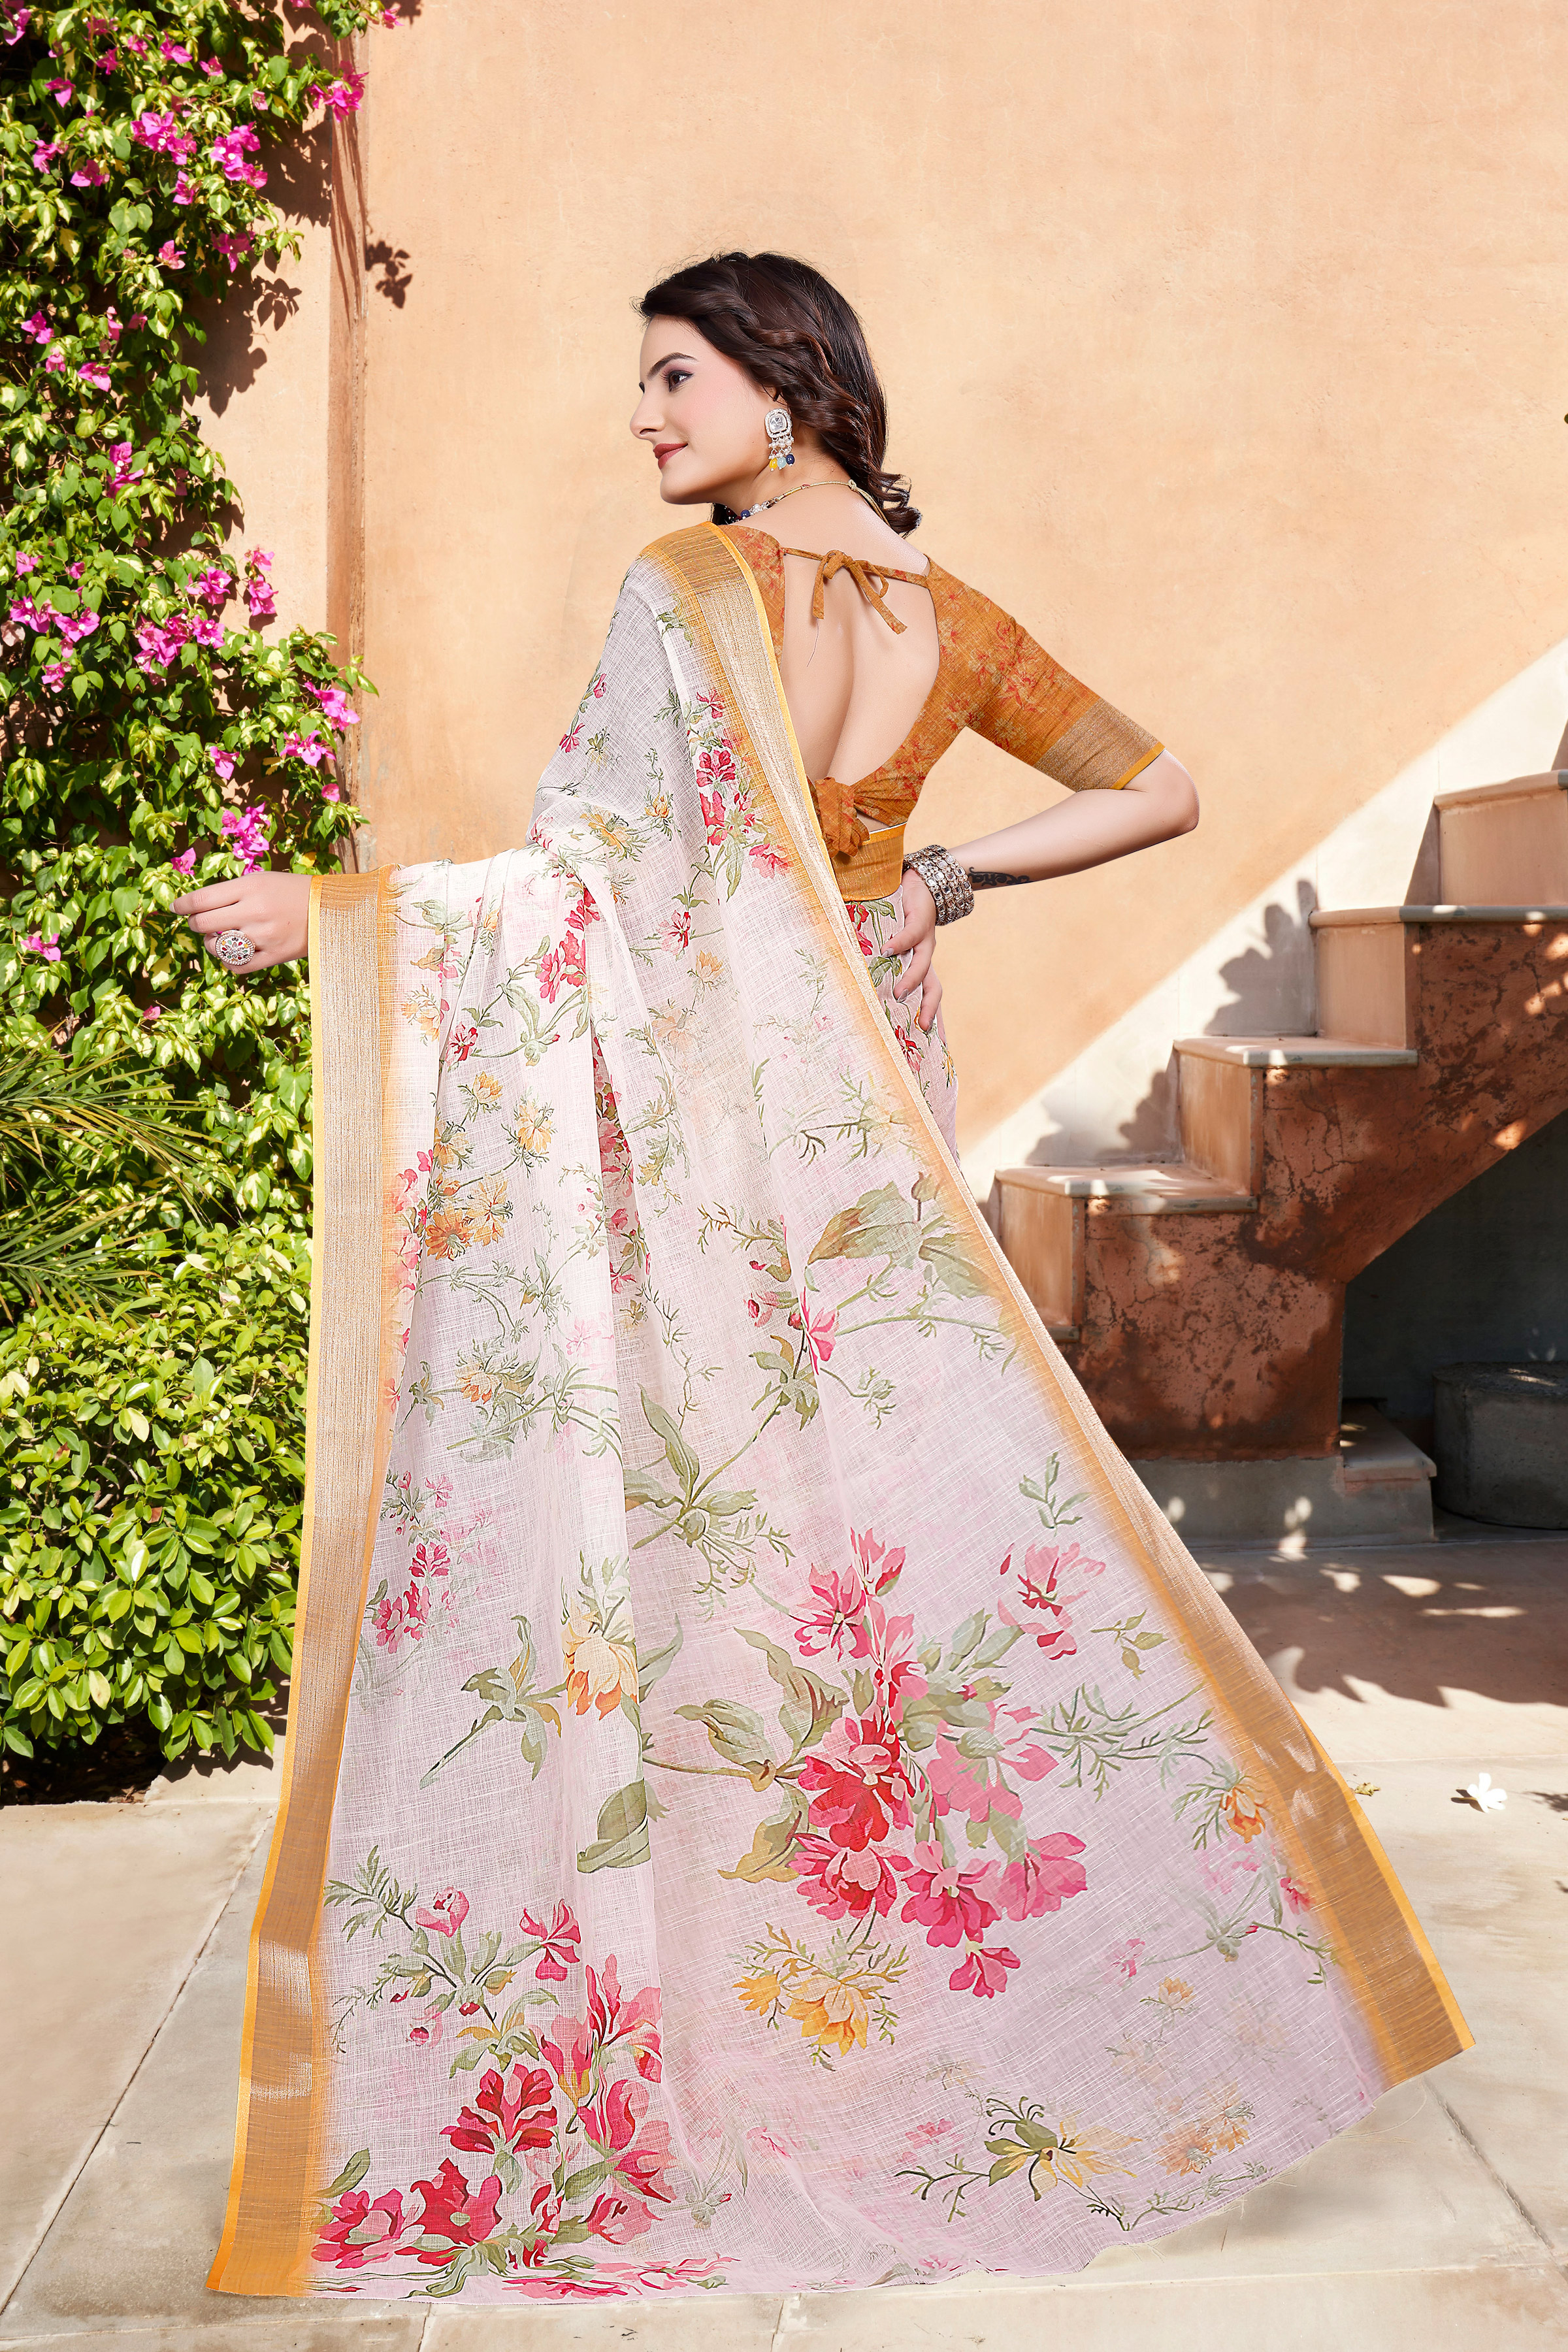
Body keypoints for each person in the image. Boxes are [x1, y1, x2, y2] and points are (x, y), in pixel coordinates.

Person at [191, 254, 1466, 2309]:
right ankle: (885, 1988)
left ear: (784, 384)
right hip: (870, 1103)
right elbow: (1155, 786)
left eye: (673, 377)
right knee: (854, 1513)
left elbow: (605, 890)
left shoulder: (688, 595)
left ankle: (741, 2001)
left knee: (706, 1519)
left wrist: (347, 913)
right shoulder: (945, 617)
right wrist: (941, 875)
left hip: (723, 1127)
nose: (644, 416)